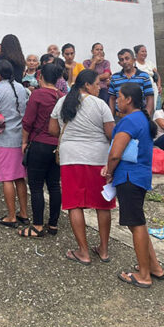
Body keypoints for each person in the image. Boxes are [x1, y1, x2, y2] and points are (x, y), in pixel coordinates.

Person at [103, 82, 164, 287]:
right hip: (139, 176)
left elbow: (115, 153)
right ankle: (154, 266)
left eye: (120, 97)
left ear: (129, 100)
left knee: (136, 224)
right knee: (138, 222)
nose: (117, 102)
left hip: (129, 177)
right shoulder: (142, 119)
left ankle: (144, 275)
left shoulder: (129, 121)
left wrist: (109, 172)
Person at [50, 69, 115, 265]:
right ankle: (104, 250)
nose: (99, 88)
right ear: (87, 85)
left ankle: (83, 252)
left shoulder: (62, 102)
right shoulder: (100, 104)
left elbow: (52, 129)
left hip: (71, 157)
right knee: (102, 204)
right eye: (97, 84)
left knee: (74, 204)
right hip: (98, 158)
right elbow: (111, 133)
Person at [0, 60, 29, 228]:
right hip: (20, 138)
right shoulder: (21, 88)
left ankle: (11, 216)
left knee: (7, 178)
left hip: (3, 139)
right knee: (20, 178)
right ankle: (24, 213)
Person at [20, 64, 64, 238]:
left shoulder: (37, 95)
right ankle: (53, 224)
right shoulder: (62, 96)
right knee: (54, 185)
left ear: (41, 77)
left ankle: (37, 225)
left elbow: (28, 121)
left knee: (36, 186)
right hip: (57, 146)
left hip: (39, 144)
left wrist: (24, 141)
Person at [108, 49, 154, 118]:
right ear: (119, 63)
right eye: (121, 60)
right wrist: (111, 117)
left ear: (134, 60)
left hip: (139, 116)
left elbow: (150, 97)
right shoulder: (115, 78)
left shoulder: (144, 76)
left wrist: (147, 116)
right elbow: (112, 99)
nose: (124, 62)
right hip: (120, 117)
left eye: (127, 58)